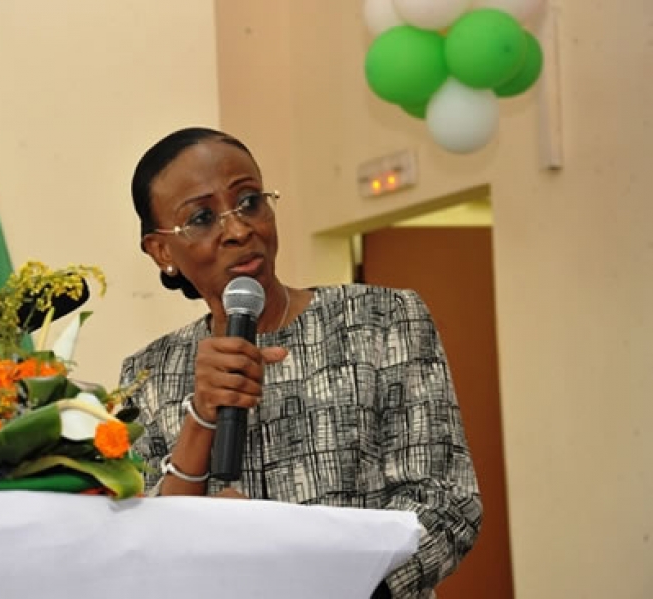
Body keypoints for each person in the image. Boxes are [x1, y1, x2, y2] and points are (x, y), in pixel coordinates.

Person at [119, 126, 482, 598]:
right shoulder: (147, 375)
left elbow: (447, 504)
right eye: (203, 218)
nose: (239, 230)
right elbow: (145, 544)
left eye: (249, 201)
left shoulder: (381, 319)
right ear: (162, 250)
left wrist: (340, 588)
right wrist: (201, 416)